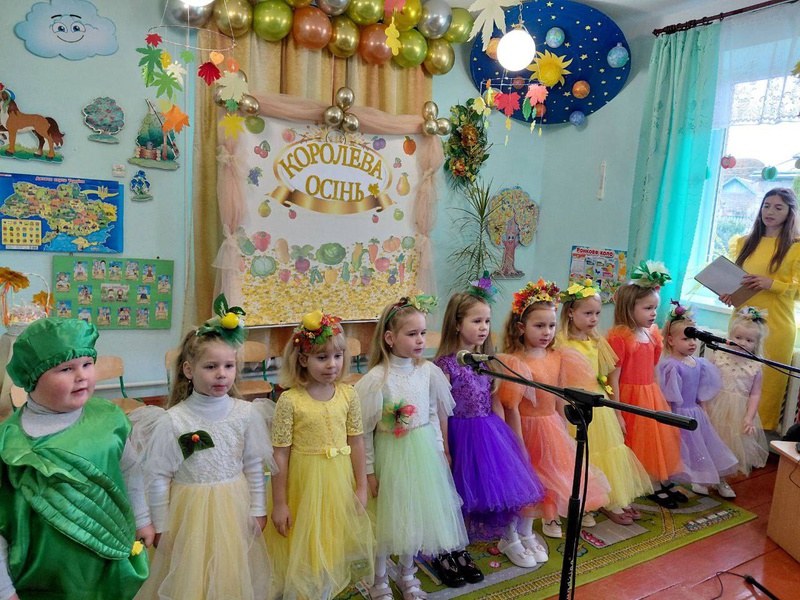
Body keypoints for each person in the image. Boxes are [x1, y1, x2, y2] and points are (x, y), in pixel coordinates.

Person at [133, 295, 273, 600]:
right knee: (191, 576)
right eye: (211, 366)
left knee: (228, 573)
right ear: (188, 370)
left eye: (229, 366)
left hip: (233, 508)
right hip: (189, 513)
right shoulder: (173, 420)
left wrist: (258, 509)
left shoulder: (246, 414)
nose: (222, 374)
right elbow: (159, 477)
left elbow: (253, 466)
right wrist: (161, 525)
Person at [1, 317, 151, 600]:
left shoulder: (109, 420)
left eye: (87, 364)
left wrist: (142, 517)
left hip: (105, 565)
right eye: (66, 368)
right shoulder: (9, 443)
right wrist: (4, 588)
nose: (81, 376)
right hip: (41, 580)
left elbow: (130, 469)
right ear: (32, 377)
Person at [355, 296, 471, 599]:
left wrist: (440, 451)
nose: (420, 340)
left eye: (423, 333)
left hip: (423, 455)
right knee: (387, 521)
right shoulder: (376, 379)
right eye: (412, 334)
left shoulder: (429, 372)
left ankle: (407, 573)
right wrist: (369, 471)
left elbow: (432, 414)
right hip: (390, 456)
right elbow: (364, 431)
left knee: (415, 518)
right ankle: (379, 578)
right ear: (389, 338)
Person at [434, 279, 547, 568]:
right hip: (459, 434)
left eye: (487, 321)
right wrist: (445, 449)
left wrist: (507, 441)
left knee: (494, 491)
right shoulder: (444, 365)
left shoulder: (487, 362)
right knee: (459, 493)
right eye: (476, 321)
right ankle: (453, 547)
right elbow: (440, 412)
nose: (484, 327)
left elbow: (494, 401)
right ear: (456, 324)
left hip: (488, 433)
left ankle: (507, 538)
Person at [267, 310, 374, 600]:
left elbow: (357, 442)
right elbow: (280, 455)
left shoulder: (348, 395)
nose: (332, 364)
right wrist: (280, 503)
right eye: (322, 357)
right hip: (303, 486)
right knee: (303, 547)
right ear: (303, 359)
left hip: (338, 483)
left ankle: (323, 593)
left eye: (337, 356)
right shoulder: (290, 400)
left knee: (331, 544)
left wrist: (361, 486)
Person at [497, 280, 610, 539]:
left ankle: (548, 517)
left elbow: (560, 396)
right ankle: (514, 534)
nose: (547, 332)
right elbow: (511, 407)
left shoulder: (558, 357)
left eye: (551, 326)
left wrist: (562, 425)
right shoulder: (514, 362)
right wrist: (517, 441)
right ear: (521, 327)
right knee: (528, 479)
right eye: (539, 326)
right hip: (525, 429)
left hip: (551, 426)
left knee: (552, 475)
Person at [555, 279, 653, 525]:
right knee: (582, 455)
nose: (594, 319)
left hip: (597, 404)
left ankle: (611, 499)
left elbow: (605, 376)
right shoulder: (561, 342)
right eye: (588, 313)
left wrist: (615, 411)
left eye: (597, 313)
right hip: (574, 405)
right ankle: (586, 502)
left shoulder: (597, 341)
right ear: (571, 312)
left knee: (607, 452)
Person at [607, 262, 685, 509]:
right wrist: (617, 412)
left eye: (655, 308)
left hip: (650, 393)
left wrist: (658, 396)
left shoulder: (652, 334)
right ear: (629, 308)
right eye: (647, 308)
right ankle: (648, 483)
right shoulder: (620, 337)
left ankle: (660, 480)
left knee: (656, 440)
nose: (653, 314)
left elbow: (653, 370)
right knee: (638, 442)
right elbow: (613, 378)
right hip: (630, 397)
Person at [722, 188, 800, 431]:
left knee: (766, 386)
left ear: (790, 212)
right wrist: (729, 294)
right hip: (741, 323)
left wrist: (772, 284)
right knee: (735, 382)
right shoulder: (745, 242)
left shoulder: (796, 247)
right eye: (766, 205)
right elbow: (738, 281)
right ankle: (729, 434)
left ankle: (758, 436)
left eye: (778, 207)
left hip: (775, 328)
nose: (770, 212)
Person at [658, 302, 738, 496]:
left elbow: (700, 392)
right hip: (678, 414)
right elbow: (669, 396)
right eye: (685, 339)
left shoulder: (699, 363)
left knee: (704, 446)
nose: (692, 343)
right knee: (683, 449)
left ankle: (708, 479)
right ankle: (683, 478)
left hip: (696, 413)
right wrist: (669, 418)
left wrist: (704, 410)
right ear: (671, 340)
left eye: (693, 338)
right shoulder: (671, 365)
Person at [706, 307, 770, 492]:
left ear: (756, 343)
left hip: (737, 413)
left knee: (729, 447)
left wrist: (749, 417)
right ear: (730, 335)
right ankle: (703, 478)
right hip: (715, 406)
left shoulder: (755, 366)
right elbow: (706, 381)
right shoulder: (719, 356)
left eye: (749, 340)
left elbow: (755, 394)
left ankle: (721, 479)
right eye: (738, 337)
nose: (742, 343)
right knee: (710, 442)